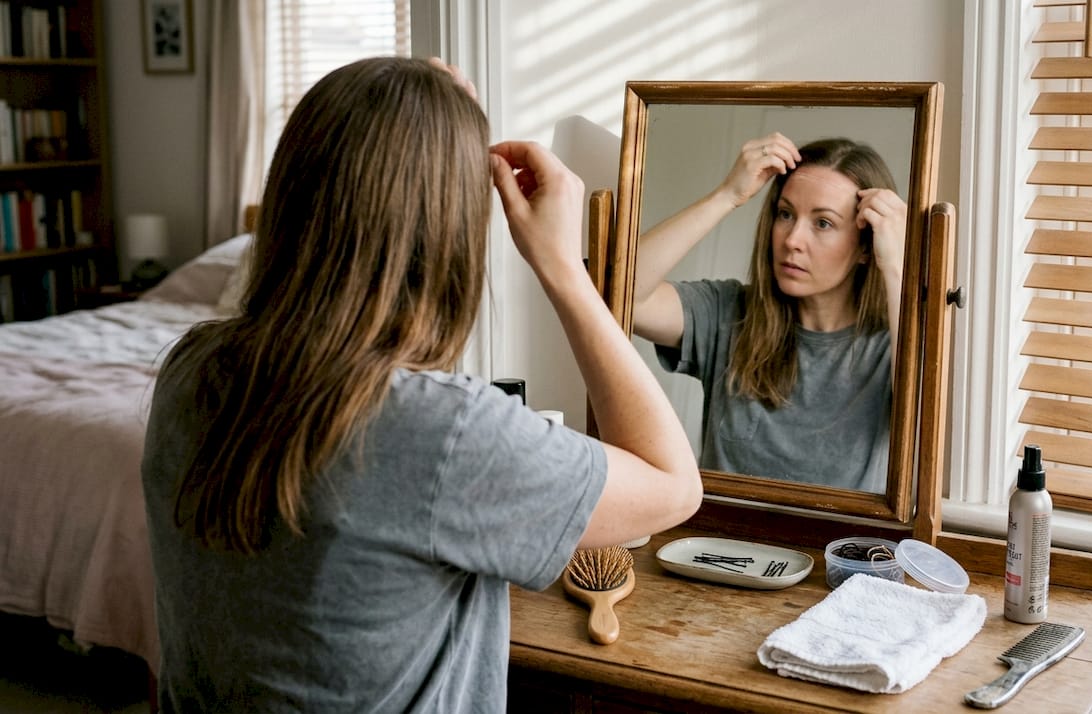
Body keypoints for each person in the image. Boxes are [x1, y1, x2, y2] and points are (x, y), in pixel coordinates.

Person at [140, 57, 701, 713]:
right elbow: (672, 485)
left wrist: (409, 105)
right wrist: (561, 267)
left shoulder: (189, 371)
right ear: (447, 235)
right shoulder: (441, 435)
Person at [631, 132, 906, 493]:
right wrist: (726, 196)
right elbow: (619, 297)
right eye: (785, 214)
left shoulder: (891, 345)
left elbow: (930, 422)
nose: (792, 239)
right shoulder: (727, 313)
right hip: (717, 546)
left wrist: (897, 265)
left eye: (823, 223)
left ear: (866, 247)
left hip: (837, 551)